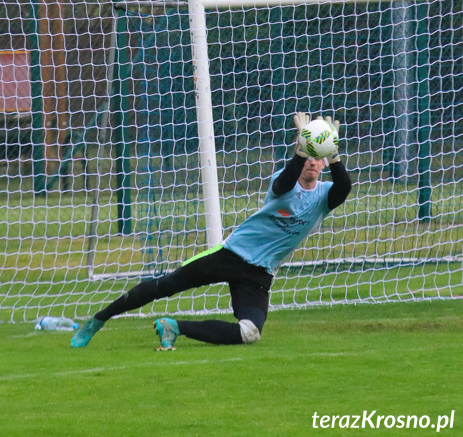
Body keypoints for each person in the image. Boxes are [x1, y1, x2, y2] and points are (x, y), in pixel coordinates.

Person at [71, 112, 352, 350]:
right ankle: (99, 319)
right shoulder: (283, 183)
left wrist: (333, 152)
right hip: (230, 254)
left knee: (250, 333)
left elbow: (344, 188)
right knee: (165, 286)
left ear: (324, 162)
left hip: (259, 273)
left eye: (318, 158)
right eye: (307, 158)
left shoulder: (325, 197)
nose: (312, 163)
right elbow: (284, 183)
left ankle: (174, 327)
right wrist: (303, 147)